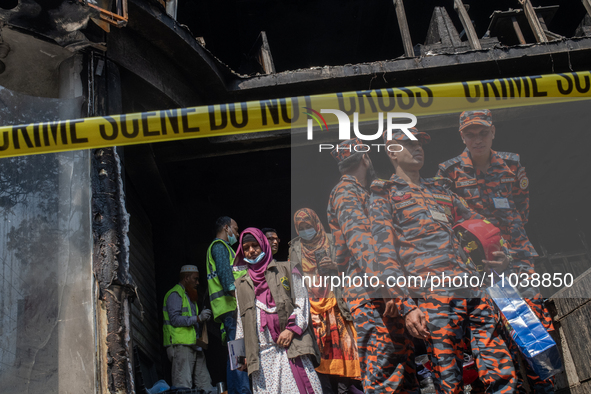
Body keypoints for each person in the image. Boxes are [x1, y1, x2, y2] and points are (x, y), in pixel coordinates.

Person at [370, 128, 518, 394]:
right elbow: (385, 254)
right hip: (433, 295)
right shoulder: (385, 194)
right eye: (408, 144)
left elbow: (480, 224)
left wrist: (502, 254)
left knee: (499, 366)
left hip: (472, 289)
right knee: (448, 378)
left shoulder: (441, 189)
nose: (418, 148)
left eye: (420, 144)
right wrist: (407, 306)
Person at [437, 109, 555, 394]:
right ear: (461, 135)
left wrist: (508, 251)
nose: (477, 139)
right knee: (492, 332)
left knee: (532, 326)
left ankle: (545, 388)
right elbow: (448, 219)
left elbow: (520, 211)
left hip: (517, 261)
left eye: (482, 133)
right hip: (479, 267)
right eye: (470, 134)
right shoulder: (448, 171)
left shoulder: (512, 164)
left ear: (493, 132)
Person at [326, 138, 418, 394]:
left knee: (404, 365)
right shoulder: (347, 192)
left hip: (382, 292)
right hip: (371, 294)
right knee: (384, 369)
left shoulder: (364, 192)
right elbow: (360, 241)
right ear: (365, 158)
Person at [234, 227, 323, 394]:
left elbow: (302, 303)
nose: (251, 251)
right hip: (263, 358)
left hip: (290, 349)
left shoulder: (287, 269)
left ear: (264, 246)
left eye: (255, 246)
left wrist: (291, 330)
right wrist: (241, 355)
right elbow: (241, 322)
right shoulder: (242, 285)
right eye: (246, 248)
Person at [290, 208, 362, 394]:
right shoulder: (295, 248)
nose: (306, 230)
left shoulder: (333, 240)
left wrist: (335, 266)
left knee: (344, 355)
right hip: (312, 313)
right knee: (321, 361)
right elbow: (293, 279)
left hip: (336, 306)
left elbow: (354, 267)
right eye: (302, 227)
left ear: (316, 223)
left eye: (309, 225)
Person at [206, 216, 251, 394]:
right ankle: (242, 390)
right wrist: (242, 302)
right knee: (239, 352)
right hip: (232, 306)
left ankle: (235, 390)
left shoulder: (222, 248)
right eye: (236, 229)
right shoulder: (220, 247)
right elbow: (228, 280)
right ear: (226, 228)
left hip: (228, 308)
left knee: (234, 353)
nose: (237, 233)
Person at [163, 265, 216, 393]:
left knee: (205, 385)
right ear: (186, 278)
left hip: (194, 345)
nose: (198, 283)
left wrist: (201, 319)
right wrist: (198, 318)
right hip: (180, 345)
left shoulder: (190, 297)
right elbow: (175, 320)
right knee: (183, 386)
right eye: (195, 279)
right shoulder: (175, 294)